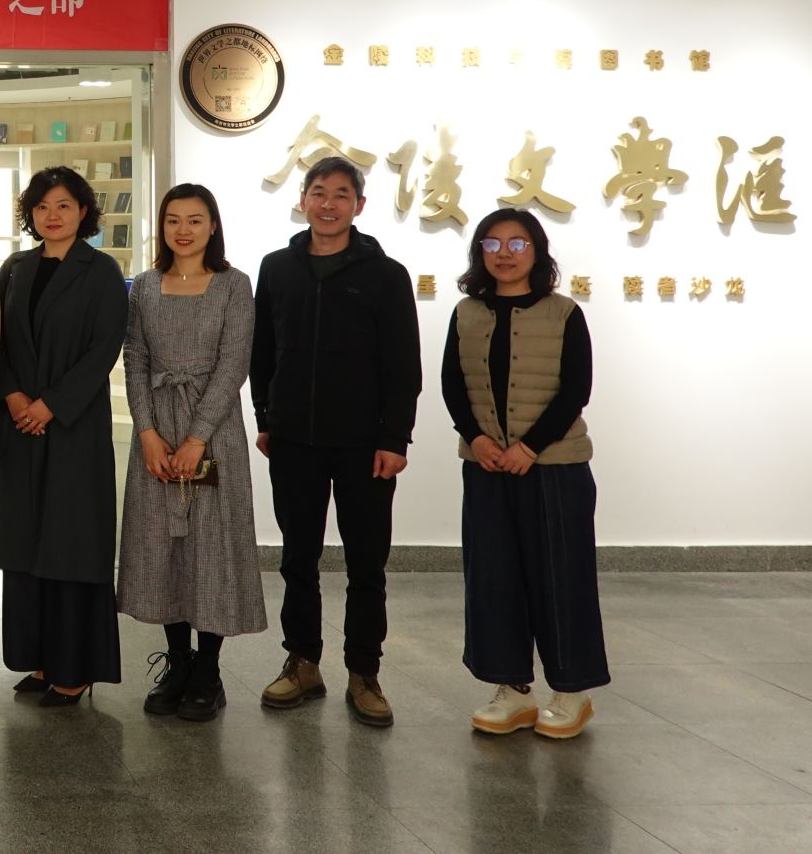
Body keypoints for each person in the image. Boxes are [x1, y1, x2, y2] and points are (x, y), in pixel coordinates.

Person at [251, 156, 420, 727]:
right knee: (297, 558)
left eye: (341, 194)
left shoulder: (385, 274)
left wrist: (395, 438)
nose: (328, 204)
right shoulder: (277, 268)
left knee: (366, 563)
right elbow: (262, 352)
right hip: (293, 439)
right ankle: (302, 662)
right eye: (318, 192)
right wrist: (266, 417)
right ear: (302, 200)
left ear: (359, 206)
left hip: (364, 445)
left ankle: (364, 672)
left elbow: (404, 364)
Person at [444, 208, 606, 740]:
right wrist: (478, 439)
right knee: (493, 579)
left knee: (561, 578)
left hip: (555, 468)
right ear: (480, 253)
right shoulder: (467, 312)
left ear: (537, 252)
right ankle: (511, 689)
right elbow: (452, 385)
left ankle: (571, 691)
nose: (505, 254)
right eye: (492, 244)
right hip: (486, 467)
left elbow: (576, 389)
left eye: (517, 244)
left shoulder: (564, 313)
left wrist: (530, 447)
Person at [118, 184, 266, 723]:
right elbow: (135, 358)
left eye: (195, 220)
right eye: (173, 220)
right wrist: (147, 431)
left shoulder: (234, 284)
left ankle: (209, 670)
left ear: (212, 226)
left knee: (211, 546)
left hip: (213, 432)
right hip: (158, 433)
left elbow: (234, 364)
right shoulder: (145, 286)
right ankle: (177, 664)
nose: (183, 230)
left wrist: (197, 437)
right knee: (162, 547)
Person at [0, 166, 131, 706]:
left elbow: (104, 349)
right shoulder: (14, 269)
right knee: (27, 545)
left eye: (64, 205)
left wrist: (51, 405)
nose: (52, 215)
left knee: (71, 546)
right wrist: (12, 395)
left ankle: (75, 668)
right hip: (20, 427)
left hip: (74, 430)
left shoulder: (102, 271)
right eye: (42, 206)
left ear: (83, 212)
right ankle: (41, 659)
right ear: (31, 214)